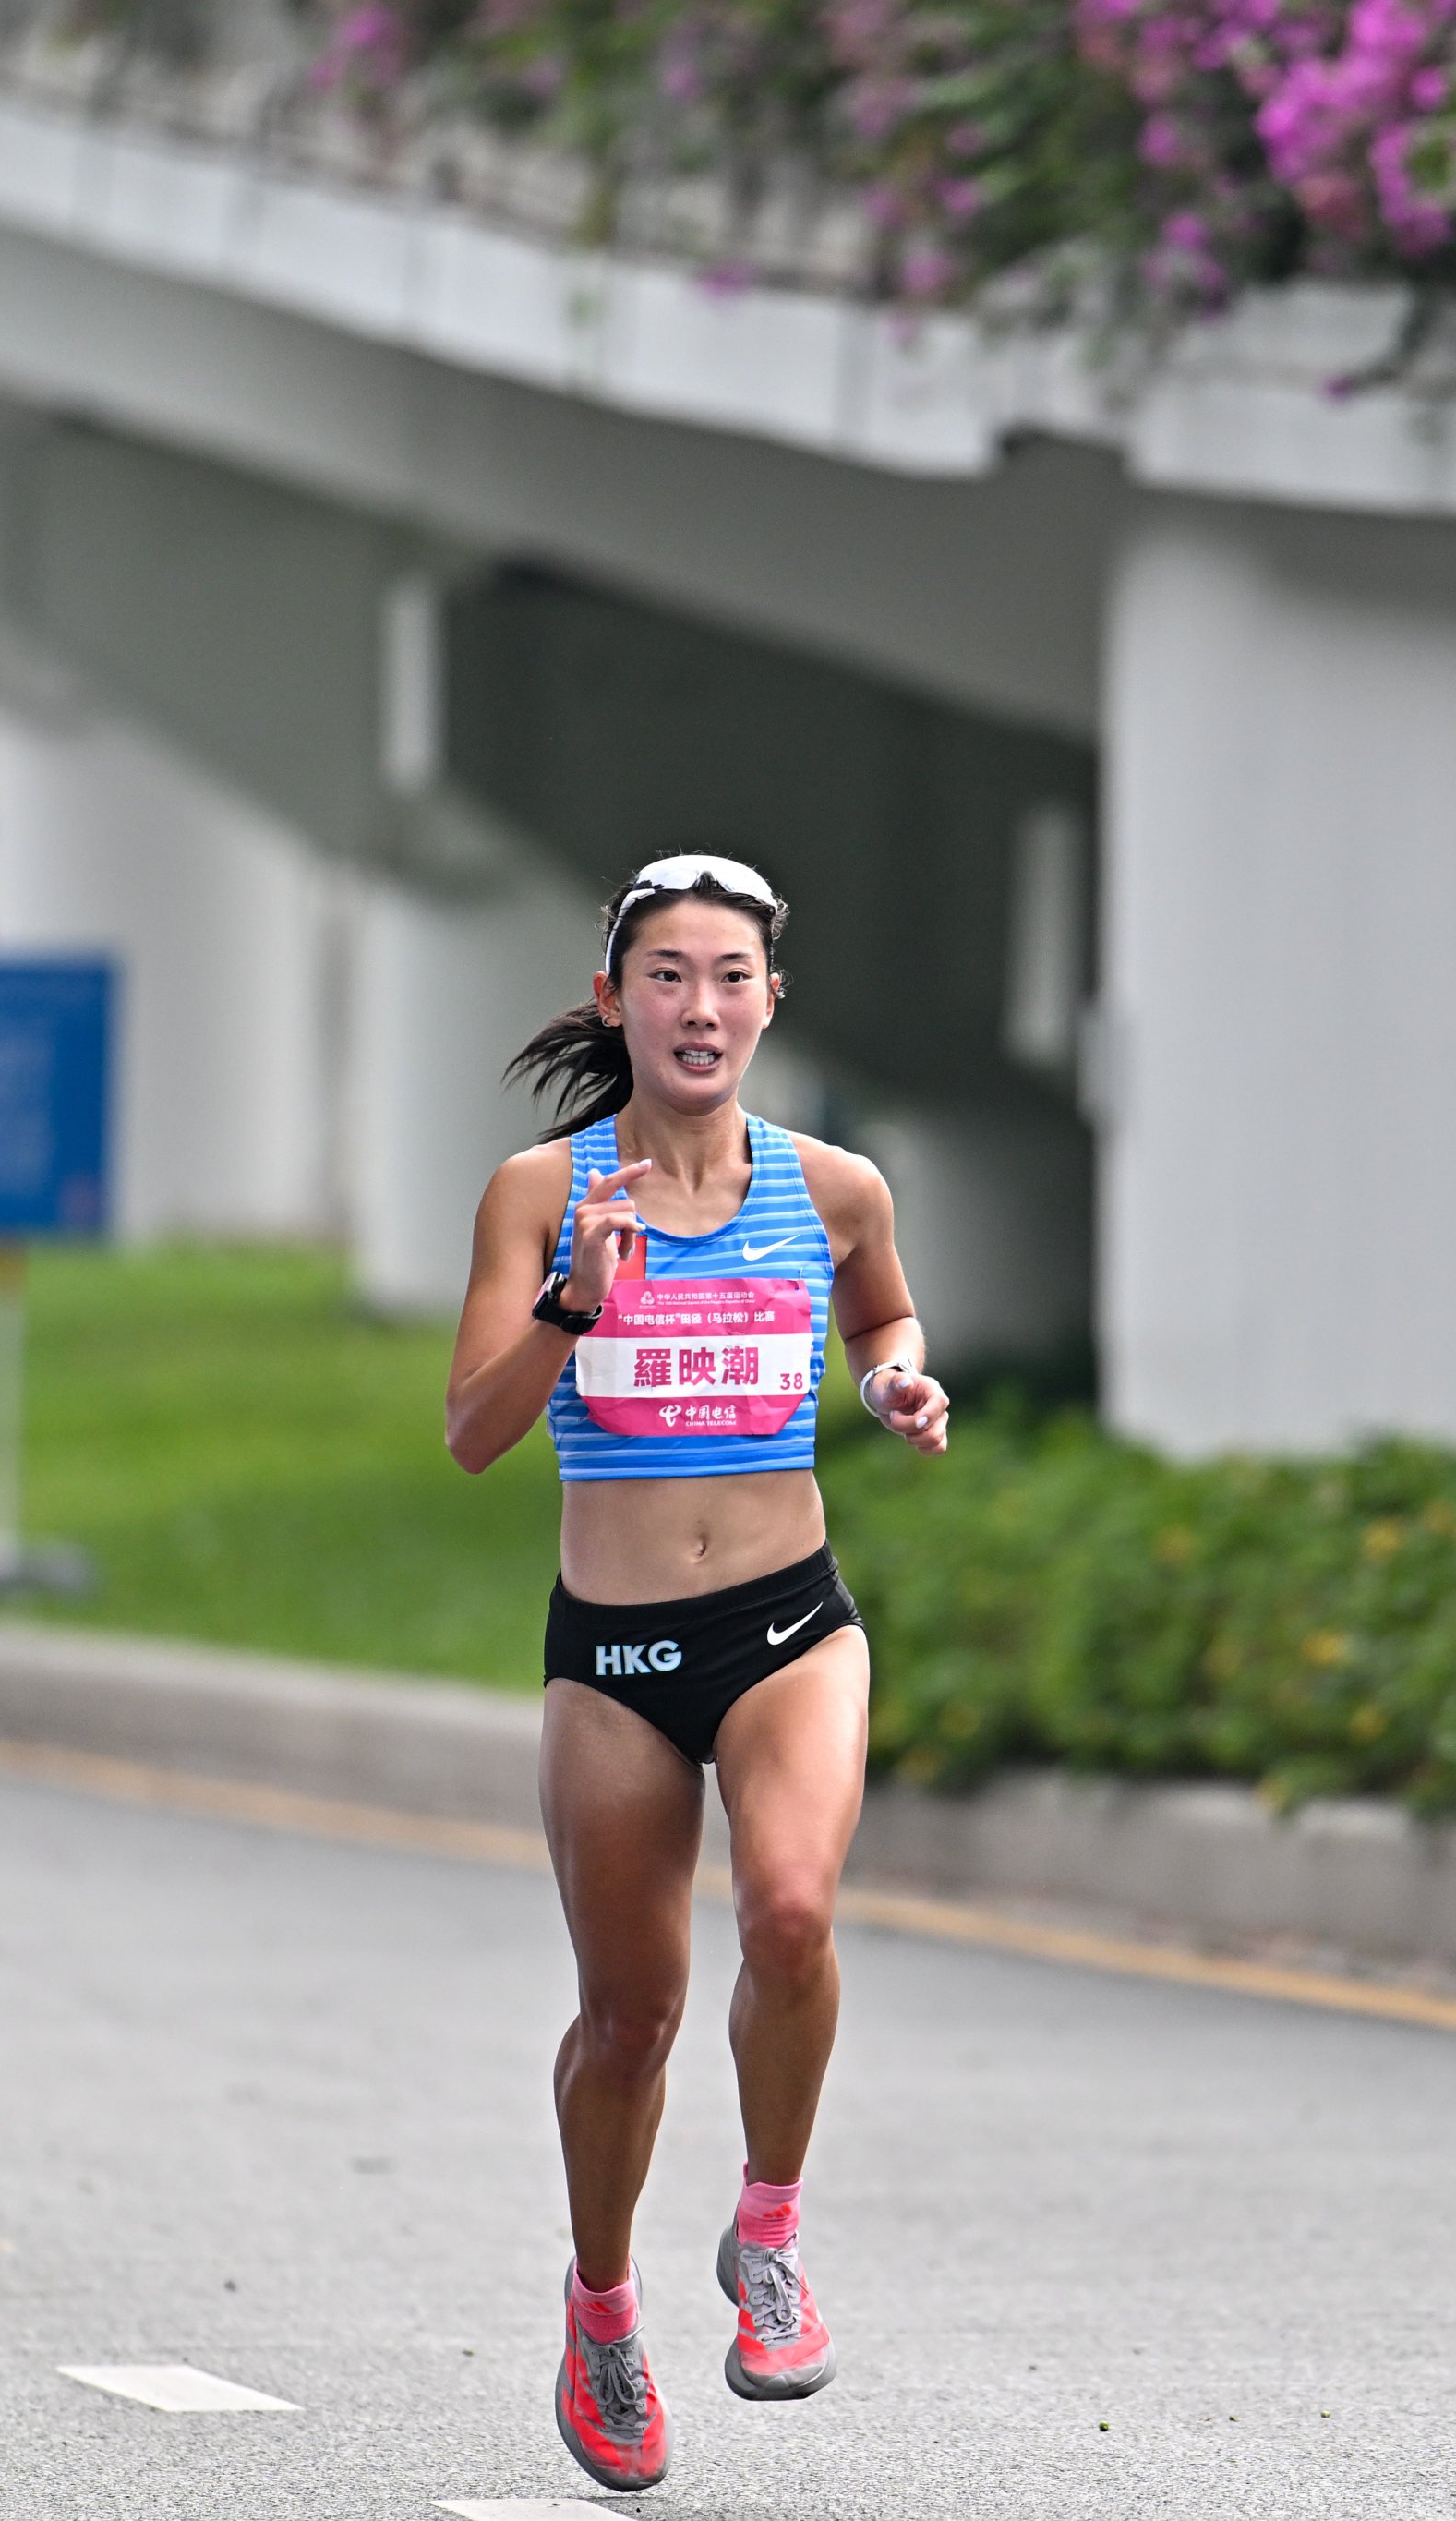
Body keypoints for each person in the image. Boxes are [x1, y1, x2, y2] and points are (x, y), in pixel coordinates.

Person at [444, 853, 952, 2493]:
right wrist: (573, 1304)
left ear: (769, 1003)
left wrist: (896, 1384)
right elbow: (471, 1434)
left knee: (792, 1911)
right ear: (615, 1000)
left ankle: (771, 2230)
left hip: (790, 1622)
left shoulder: (836, 1185)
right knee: (630, 2015)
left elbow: (882, 1315)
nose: (700, 1005)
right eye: (665, 974)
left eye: (730, 974)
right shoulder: (542, 1191)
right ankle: (602, 2310)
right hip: (615, 1659)